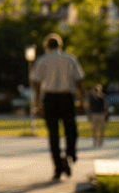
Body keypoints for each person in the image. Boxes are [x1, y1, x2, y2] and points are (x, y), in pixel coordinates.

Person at [31, 33, 84, 180]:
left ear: (47, 46)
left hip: (50, 98)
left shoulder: (42, 60)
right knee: (71, 130)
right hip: (66, 97)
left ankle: (57, 166)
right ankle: (69, 154)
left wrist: (37, 101)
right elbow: (79, 80)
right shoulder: (70, 59)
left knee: (53, 134)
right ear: (60, 45)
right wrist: (82, 99)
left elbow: (36, 82)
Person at [86, 83, 109, 149]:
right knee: (94, 129)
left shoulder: (103, 96)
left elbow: (106, 106)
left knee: (102, 129)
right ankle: (95, 140)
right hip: (94, 114)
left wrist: (106, 114)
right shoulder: (91, 97)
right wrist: (89, 115)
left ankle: (100, 141)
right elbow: (88, 106)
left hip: (101, 114)